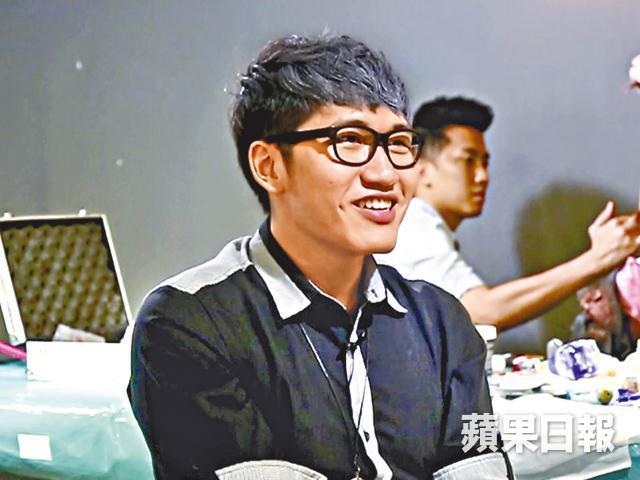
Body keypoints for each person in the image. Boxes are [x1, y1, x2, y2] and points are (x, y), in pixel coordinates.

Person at [128, 36, 511, 479]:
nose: (385, 173)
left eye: (398, 143)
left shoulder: (442, 321)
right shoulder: (189, 323)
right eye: (349, 141)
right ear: (269, 166)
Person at [377, 96, 640, 331]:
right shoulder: (413, 224)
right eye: (468, 160)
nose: (482, 176)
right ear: (421, 169)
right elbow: (479, 312)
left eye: (484, 163)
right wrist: (596, 259)